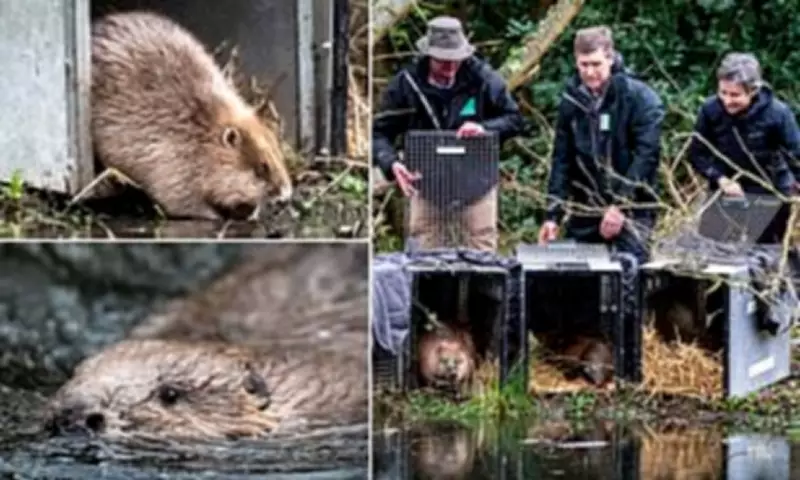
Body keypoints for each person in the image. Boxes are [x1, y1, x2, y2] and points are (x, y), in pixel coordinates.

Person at [372, 16, 524, 253]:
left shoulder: (482, 78)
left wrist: (484, 128)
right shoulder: (406, 84)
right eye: (443, 62)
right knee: (422, 258)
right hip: (425, 184)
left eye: (456, 60)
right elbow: (379, 133)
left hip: (476, 182)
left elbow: (514, 119)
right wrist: (391, 164)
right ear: (429, 55)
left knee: (484, 258)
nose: (451, 67)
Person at [538, 26, 665, 264]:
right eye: (583, 65)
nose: (589, 72)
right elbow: (562, 160)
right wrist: (552, 215)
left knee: (629, 273)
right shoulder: (571, 101)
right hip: (586, 205)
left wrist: (621, 206)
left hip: (633, 206)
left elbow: (646, 157)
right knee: (581, 278)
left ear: (610, 58)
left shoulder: (640, 99)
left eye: (596, 64)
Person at [688, 52, 800, 244]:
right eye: (723, 93)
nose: (727, 101)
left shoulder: (777, 114)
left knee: (765, 254)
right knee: (713, 251)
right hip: (725, 190)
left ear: (753, 91)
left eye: (735, 95)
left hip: (768, 190)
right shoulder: (710, 110)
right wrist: (721, 179)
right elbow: (697, 154)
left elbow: (796, 154)